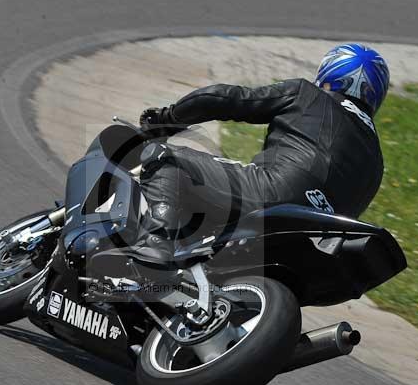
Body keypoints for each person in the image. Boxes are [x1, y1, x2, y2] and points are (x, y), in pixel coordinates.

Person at [130, 43, 390, 265]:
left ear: (328, 72)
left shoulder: (309, 95)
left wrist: (166, 120)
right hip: (312, 243)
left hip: (270, 196)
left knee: (161, 157)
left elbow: (221, 97)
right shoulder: (377, 161)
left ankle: (154, 244)